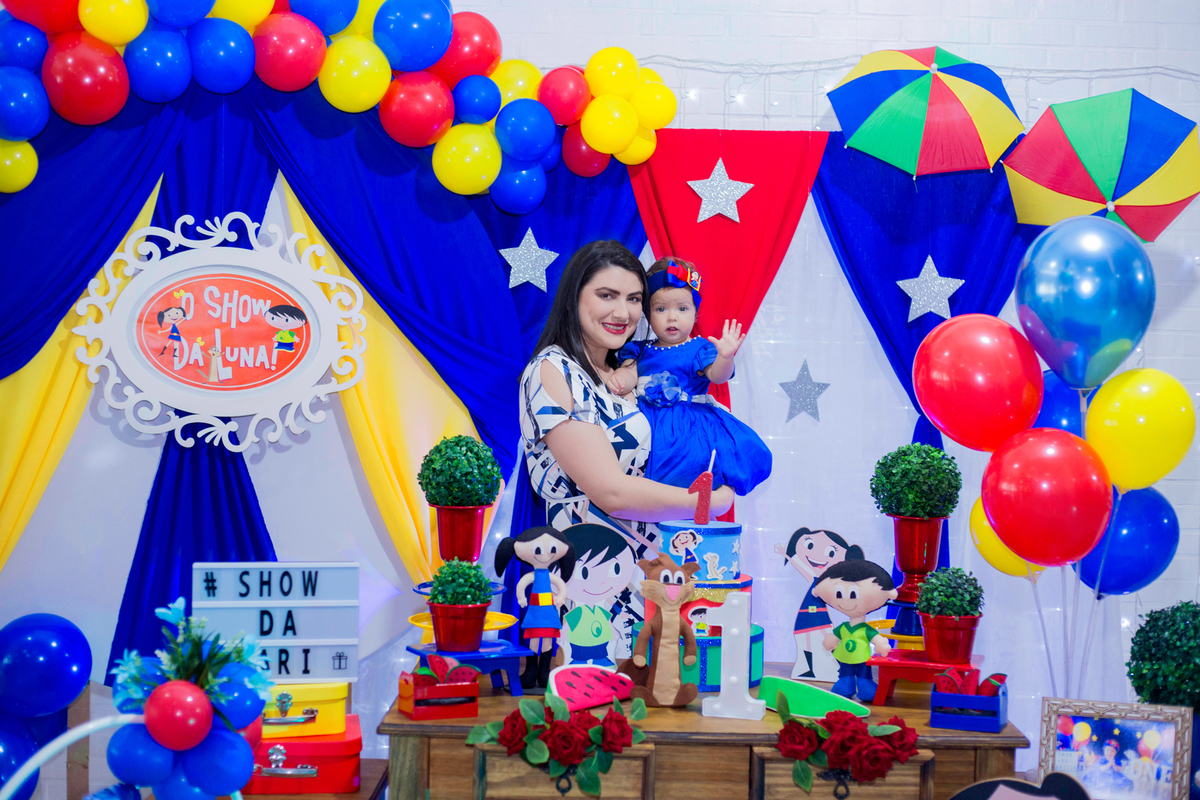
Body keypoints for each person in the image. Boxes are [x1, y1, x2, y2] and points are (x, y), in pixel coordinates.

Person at [519, 241, 735, 655]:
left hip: (649, 573)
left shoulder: (622, 371)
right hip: (588, 575)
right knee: (594, 700)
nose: (623, 313)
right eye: (606, 295)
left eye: (634, 299)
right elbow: (611, 493)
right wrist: (707, 502)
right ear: (573, 297)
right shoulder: (552, 370)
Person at [605, 257, 771, 494]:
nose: (672, 317)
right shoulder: (639, 349)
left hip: (688, 430)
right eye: (661, 309)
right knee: (644, 483)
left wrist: (725, 357)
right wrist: (621, 379)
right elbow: (630, 371)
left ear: (695, 313)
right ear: (648, 315)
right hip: (648, 425)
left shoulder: (698, 349)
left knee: (685, 478)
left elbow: (717, 376)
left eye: (682, 309)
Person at [494, 526, 576, 689]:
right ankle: (530, 674)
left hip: (548, 615)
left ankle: (544, 674)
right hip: (534, 615)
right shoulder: (531, 576)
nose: (544, 555)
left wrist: (560, 597)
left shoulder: (548, 576)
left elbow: (561, 585)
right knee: (533, 643)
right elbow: (521, 586)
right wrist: (522, 598)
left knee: (547, 643)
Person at [775, 528, 861, 679]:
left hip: (821, 619)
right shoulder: (814, 578)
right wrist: (786, 554)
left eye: (831, 553)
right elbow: (802, 567)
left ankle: (839, 670)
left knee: (826, 642)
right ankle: (807, 669)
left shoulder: (832, 581)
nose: (817, 555)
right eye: (810, 546)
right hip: (804, 619)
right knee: (805, 643)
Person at [811, 556, 898, 701]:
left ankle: (865, 686)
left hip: (862, 657)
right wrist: (830, 641)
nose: (847, 602)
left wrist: (881, 644)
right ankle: (846, 685)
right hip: (845, 658)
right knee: (845, 673)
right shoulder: (844, 628)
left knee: (864, 674)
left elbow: (875, 637)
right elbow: (834, 637)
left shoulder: (865, 629)